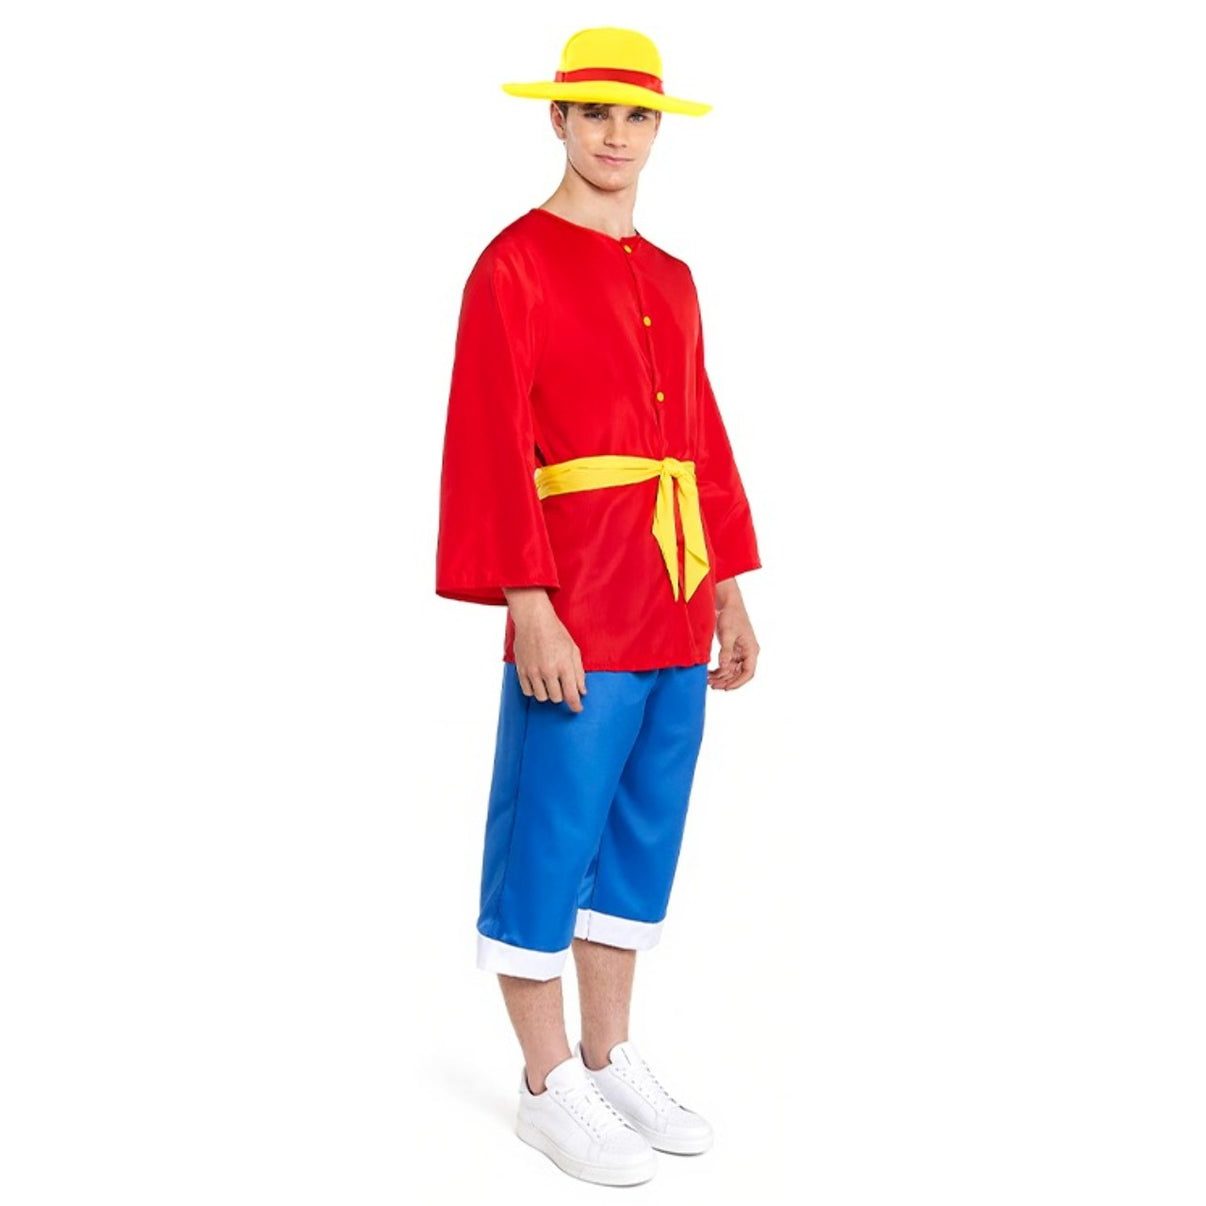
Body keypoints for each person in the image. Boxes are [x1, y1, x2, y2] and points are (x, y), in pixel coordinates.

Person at [435, 27, 762, 1187]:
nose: (616, 135)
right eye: (595, 113)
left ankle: (608, 1054)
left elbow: (698, 436)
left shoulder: (673, 277)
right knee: (550, 831)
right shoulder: (513, 265)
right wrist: (529, 602)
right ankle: (544, 1085)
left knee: (638, 833)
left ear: (656, 129)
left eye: (637, 115)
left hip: (674, 596)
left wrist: (727, 589)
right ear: (558, 120)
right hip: (579, 597)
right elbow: (488, 440)